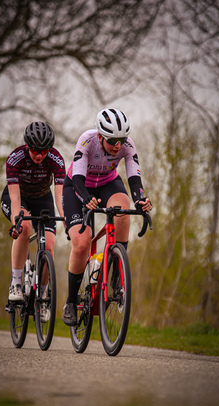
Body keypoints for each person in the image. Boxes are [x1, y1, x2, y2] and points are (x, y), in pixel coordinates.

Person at [62, 107, 152, 326]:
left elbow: (134, 179)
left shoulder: (127, 146)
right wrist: (85, 199)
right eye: (113, 140)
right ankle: (71, 302)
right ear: (101, 136)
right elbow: (78, 180)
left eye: (121, 139)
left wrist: (141, 199)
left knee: (123, 208)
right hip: (77, 186)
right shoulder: (87, 141)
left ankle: (115, 272)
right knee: (82, 242)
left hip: (107, 183)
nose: (118, 145)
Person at [1, 121, 66, 320]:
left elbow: (60, 197)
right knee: (25, 227)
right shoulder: (15, 159)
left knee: (50, 244)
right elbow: (14, 199)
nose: (39, 155)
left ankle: (44, 297)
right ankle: (16, 283)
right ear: (27, 147)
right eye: (35, 151)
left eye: (44, 151)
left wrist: (67, 221)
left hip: (42, 198)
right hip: (18, 197)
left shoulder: (56, 159)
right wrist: (16, 223)